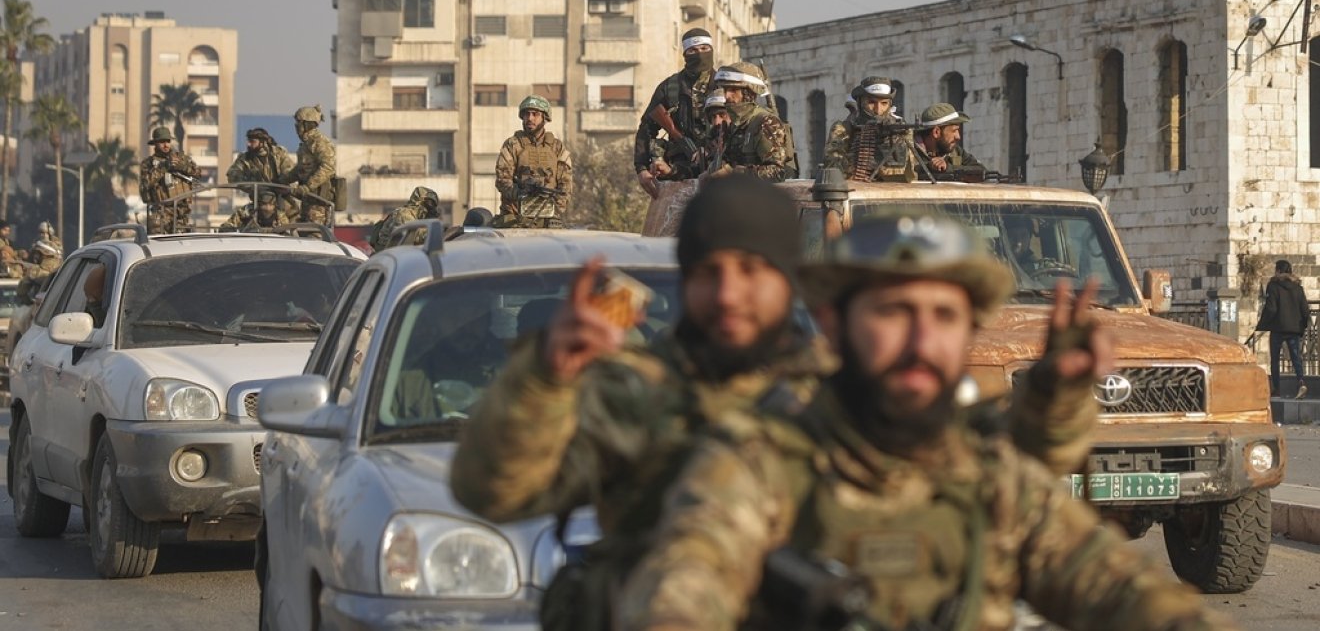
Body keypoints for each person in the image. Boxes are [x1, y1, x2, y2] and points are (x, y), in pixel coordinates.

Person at [450, 176, 1106, 631]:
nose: (729, 294)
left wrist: (1054, 394)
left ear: (787, 276)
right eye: (708, 273)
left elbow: (1001, 472)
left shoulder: (847, 383)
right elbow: (492, 492)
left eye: (752, 270)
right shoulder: (633, 392)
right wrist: (542, 382)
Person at [617, 213, 1235, 631]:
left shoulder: (994, 479)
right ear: (834, 325)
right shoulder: (756, 465)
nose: (921, 340)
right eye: (892, 312)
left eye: (943, 316)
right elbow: (686, 581)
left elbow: (1114, 584)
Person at [635, 28, 717, 195]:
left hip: (720, 168)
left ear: (712, 50)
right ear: (685, 54)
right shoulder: (670, 87)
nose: (699, 54)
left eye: (704, 49)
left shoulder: (724, 85)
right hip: (678, 172)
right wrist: (642, 168)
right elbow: (646, 128)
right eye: (693, 50)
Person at [700, 63, 794, 183]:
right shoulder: (734, 125)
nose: (727, 96)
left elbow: (777, 172)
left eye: (733, 90)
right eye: (725, 90)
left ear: (748, 93)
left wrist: (733, 173)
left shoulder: (765, 123)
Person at [494, 95, 572, 229]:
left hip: (548, 218)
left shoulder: (557, 147)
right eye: (526, 114)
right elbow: (502, 180)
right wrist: (521, 193)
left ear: (544, 118)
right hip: (515, 218)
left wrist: (555, 208)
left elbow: (566, 185)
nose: (530, 118)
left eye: (535, 114)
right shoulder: (513, 145)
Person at [823, 77, 915, 182]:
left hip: (895, 189)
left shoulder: (900, 128)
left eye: (884, 103)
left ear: (890, 104)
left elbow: (909, 168)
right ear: (860, 103)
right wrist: (854, 169)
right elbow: (831, 164)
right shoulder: (844, 129)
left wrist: (891, 142)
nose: (878, 110)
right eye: (872, 102)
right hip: (858, 190)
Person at [1256, 259, 1311, 398]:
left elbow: (1271, 308)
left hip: (1278, 328)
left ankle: (1277, 389)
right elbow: (1305, 309)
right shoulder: (1298, 287)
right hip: (1294, 329)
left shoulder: (1273, 286)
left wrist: (1262, 324)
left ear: (1278, 271)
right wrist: (1302, 326)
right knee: (1296, 358)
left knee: (1275, 359)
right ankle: (1301, 383)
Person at [279, 105, 337, 227]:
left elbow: (328, 167)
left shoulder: (319, 142)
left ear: (306, 124)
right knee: (304, 231)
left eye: (298, 123)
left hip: (318, 200)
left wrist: (308, 187)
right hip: (307, 199)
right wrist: (284, 179)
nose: (296, 127)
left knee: (314, 234)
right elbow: (301, 169)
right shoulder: (306, 144)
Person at [139, 126, 201, 234]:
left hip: (181, 212)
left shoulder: (181, 158)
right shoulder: (148, 163)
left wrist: (182, 166)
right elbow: (145, 184)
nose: (165, 145)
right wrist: (163, 167)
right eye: (162, 142)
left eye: (167, 141)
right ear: (155, 143)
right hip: (161, 212)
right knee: (158, 244)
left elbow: (198, 173)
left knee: (182, 244)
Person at [227, 127, 297, 217]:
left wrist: (280, 183)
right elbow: (232, 175)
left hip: (282, 200)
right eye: (248, 141)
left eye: (252, 141)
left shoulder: (278, 154)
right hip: (259, 202)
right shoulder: (245, 158)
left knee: (293, 220)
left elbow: (290, 172)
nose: (248, 144)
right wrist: (253, 187)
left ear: (262, 142)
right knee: (243, 219)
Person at [914, 102, 983, 178]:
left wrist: (948, 168)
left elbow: (982, 172)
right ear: (936, 132)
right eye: (954, 131)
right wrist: (929, 167)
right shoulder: (908, 152)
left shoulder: (955, 151)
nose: (958, 136)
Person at [368, 186, 442, 252]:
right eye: (429, 203)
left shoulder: (416, 218)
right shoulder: (404, 214)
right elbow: (412, 235)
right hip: (386, 258)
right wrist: (436, 232)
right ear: (419, 201)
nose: (431, 207)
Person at [218, 191, 290, 233]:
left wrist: (279, 229)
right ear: (258, 204)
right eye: (264, 204)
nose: (268, 208)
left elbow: (287, 231)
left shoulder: (280, 215)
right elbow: (227, 226)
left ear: (275, 206)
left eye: (271, 204)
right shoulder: (247, 211)